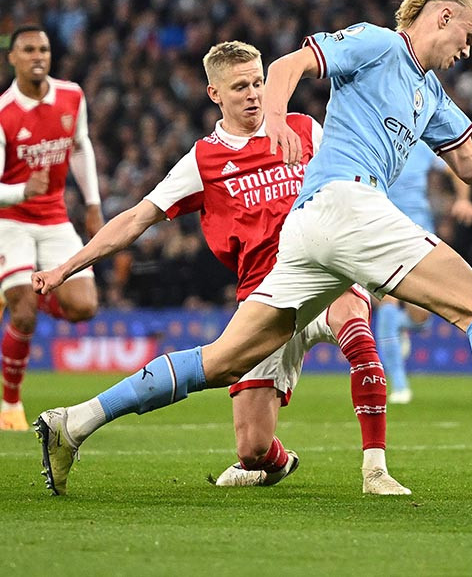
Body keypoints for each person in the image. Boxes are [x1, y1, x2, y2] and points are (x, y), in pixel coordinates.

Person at [34, 0, 472, 496]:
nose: (467, 52)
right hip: (346, 204)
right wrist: (279, 119)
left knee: (225, 361)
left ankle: (73, 422)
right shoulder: (380, 43)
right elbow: (287, 67)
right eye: (469, 37)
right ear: (443, 16)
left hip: (310, 232)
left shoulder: (429, 93)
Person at [34, 41, 409, 494]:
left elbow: (356, 188)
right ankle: (277, 461)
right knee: (252, 449)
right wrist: (66, 269)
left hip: (327, 274)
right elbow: (137, 219)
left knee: (358, 334)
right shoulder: (204, 160)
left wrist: (380, 259)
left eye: (259, 83)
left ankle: (375, 470)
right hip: (266, 296)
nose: (253, 94)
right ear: (215, 93)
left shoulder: (304, 129)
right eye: (240, 87)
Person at [0, 26, 102, 431]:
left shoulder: (72, 95)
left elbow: (80, 145)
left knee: (84, 307)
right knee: (23, 313)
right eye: (28, 50)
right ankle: (10, 404)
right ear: (13, 57)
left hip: (56, 217)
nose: (37, 56)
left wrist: (93, 204)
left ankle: (19, 291)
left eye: (43, 48)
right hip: (12, 222)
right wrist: (22, 190)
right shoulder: (4, 111)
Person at [375, 139, 472, 405]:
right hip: (383, 230)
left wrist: (463, 200)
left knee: (421, 316)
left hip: (418, 232)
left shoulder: (419, 144)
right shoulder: (375, 143)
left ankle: (401, 328)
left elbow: (456, 166)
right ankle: (399, 385)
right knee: (387, 301)